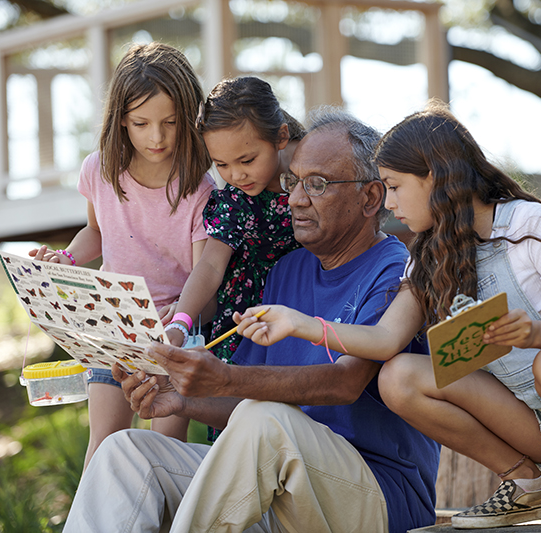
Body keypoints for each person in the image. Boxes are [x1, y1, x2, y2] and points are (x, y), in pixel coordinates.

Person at [238, 102, 541, 529]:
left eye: (396, 187)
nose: (390, 202)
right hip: (531, 421)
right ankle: (526, 485)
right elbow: (384, 341)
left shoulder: (527, 223)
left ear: (433, 178)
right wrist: (299, 324)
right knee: (398, 376)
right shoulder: (428, 256)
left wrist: (535, 333)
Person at [62, 108, 440, 533]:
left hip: (376, 495)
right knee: (125, 452)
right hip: (281, 490)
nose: (295, 198)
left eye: (316, 184)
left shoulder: (395, 270)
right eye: (293, 181)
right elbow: (242, 397)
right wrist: (182, 400)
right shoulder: (288, 270)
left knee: (265, 421)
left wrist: (223, 379)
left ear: (371, 198)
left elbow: (344, 383)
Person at [29, 42, 214, 467]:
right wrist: (69, 259)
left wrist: (180, 327)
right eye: (141, 123)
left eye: (170, 122)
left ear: (188, 118)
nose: (157, 137)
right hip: (110, 322)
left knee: (165, 456)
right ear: (121, 121)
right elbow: (96, 232)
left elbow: (205, 267)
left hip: (171, 332)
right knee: (103, 447)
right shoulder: (101, 169)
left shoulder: (198, 188)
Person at [163, 76, 303, 361]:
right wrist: (180, 321)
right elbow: (211, 265)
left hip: (306, 307)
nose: (236, 176)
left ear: (281, 137)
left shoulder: (316, 171)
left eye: (247, 160)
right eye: (222, 165)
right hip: (246, 318)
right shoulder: (237, 201)